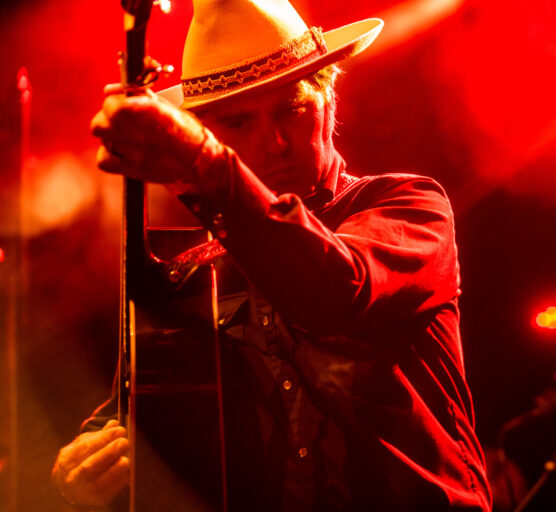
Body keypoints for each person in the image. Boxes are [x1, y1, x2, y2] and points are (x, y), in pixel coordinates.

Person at [52, 0, 492, 510]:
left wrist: (202, 166)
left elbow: (336, 288)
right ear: (209, 131)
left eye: (292, 108)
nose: (276, 142)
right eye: (238, 123)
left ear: (329, 99)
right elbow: (137, 411)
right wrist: (81, 469)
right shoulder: (192, 274)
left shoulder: (409, 204)